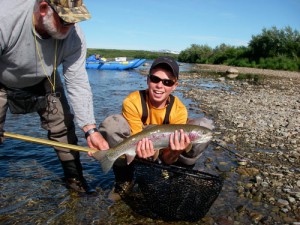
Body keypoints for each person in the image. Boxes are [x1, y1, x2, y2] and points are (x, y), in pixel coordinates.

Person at [0, 0, 109, 194]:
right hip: (2, 78)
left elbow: (77, 82)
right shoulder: (5, 18)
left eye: (76, 20)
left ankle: (76, 180)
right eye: (67, 20)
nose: (73, 26)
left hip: (45, 77)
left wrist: (90, 130)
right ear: (43, 9)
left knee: (64, 129)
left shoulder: (75, 37)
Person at [99, 56, 214, 200]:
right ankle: (124, 178)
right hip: (141, 145)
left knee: (204, 125)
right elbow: (136, 138)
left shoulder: (179, 110)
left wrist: (175, 152)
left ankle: (179, 174)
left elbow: (167, 158)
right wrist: (144, 152)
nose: (160, 85)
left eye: (167, 82)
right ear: (148, 80)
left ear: (175, 85)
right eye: (155, 79)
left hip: (166, 151)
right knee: (112, 124)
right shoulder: (132, 102)